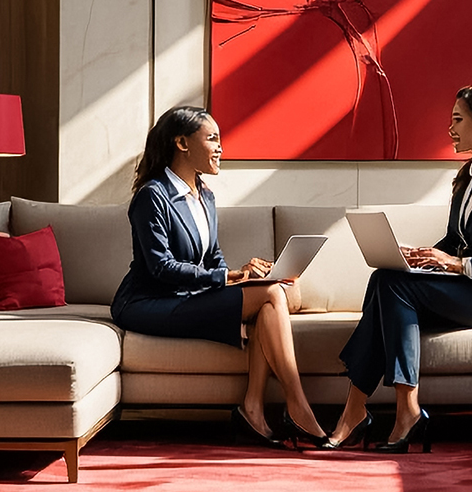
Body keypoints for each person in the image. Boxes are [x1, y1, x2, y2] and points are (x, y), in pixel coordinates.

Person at [324, 85, 472, 453]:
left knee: (392, 288)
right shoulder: (466, 178)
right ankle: (361, 411)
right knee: (386, 277)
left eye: (457, 120)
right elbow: (455, 241)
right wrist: (424, 255)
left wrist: (456, 264)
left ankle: (390, 412)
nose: (450, 129)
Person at [111, 106, 327, 447]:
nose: (221, 147)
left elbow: (212, 256)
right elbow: (160, 267)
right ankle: (297, 405)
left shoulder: (205, 195)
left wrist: (246, 276)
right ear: (182, 143)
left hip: (187, 297)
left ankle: (253, 409)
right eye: (212, 138)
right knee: (271, 296)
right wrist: (228, 276)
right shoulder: (152, 196)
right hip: (149, 302)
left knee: (270, 296)